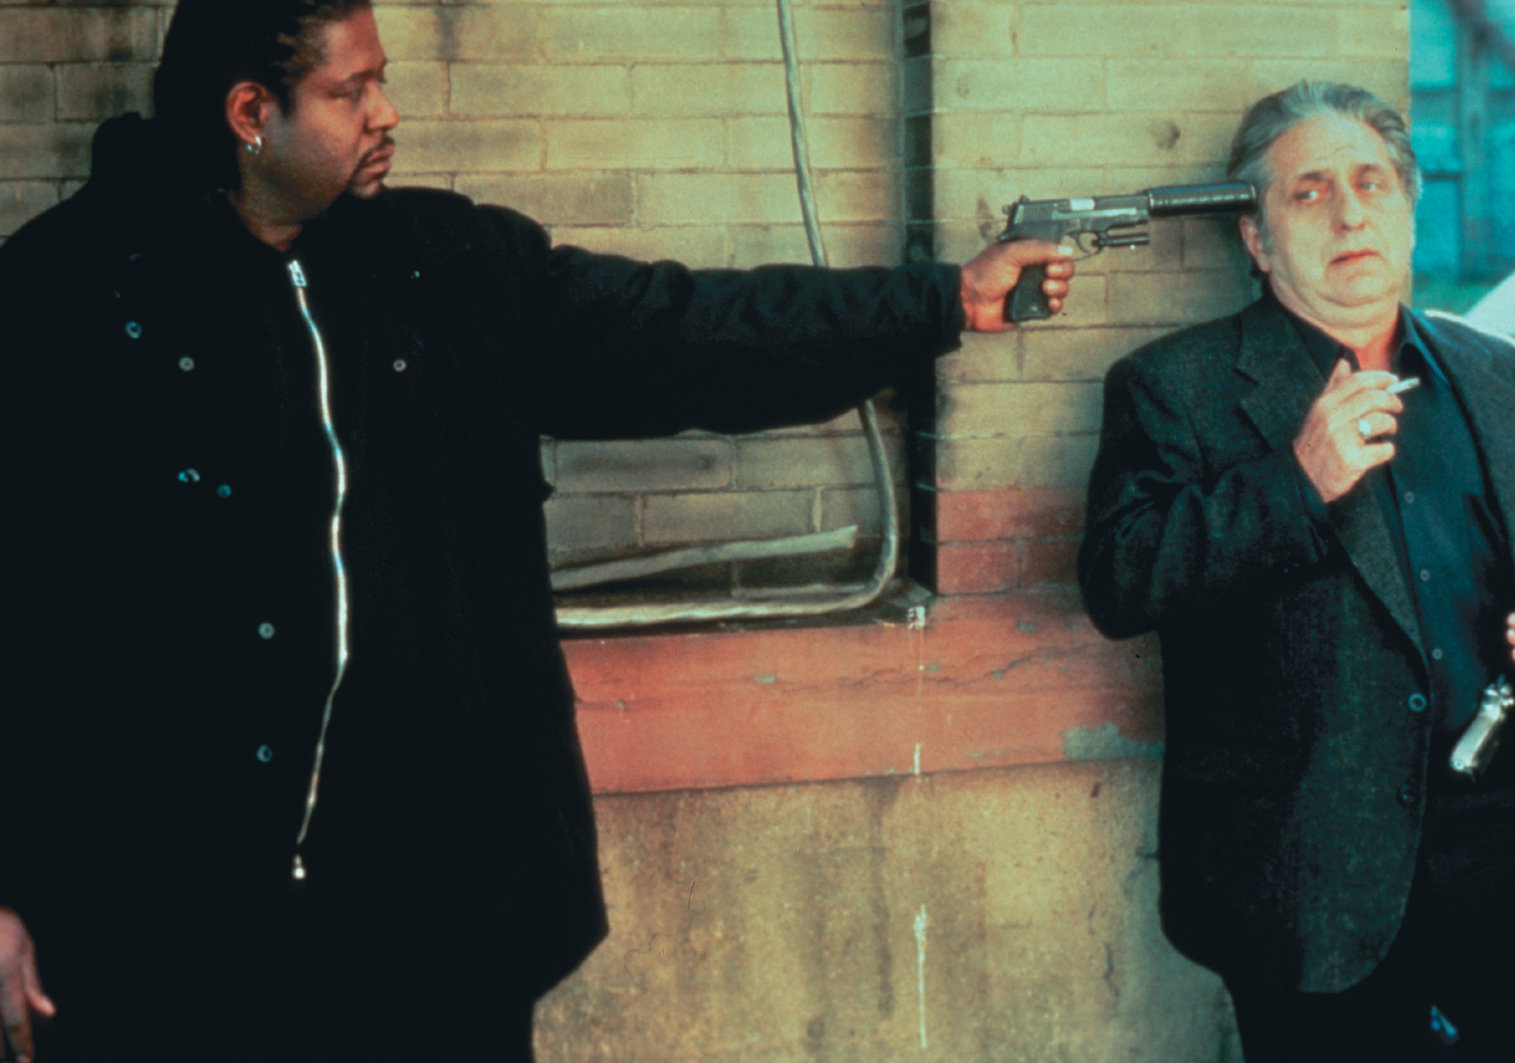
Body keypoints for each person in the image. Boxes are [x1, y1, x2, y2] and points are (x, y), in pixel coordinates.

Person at [0, 2, 1075, 1060]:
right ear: (250, 112)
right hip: (172, 933)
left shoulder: (441, 268)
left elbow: (690, 331)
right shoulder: (63, 299)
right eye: (350, 90)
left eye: (382, 79)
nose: (387, 112)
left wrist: (942, 301)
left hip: (426, 923)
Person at [1077, 81, 1515, 1062]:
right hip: (1311, 867)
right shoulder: (1174, 387)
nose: (1350, 213)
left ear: (1408, 211)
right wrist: (1296, 481)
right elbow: (1119, 580)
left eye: (1371, 184)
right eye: (1309, 192)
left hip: (1507, 842)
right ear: (1256, 237)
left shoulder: (1497, 373)